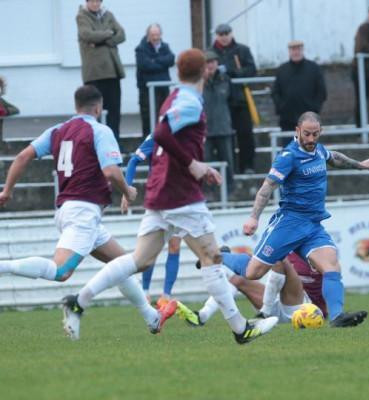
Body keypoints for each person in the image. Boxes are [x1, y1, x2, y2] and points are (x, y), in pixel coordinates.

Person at [61, 49, 278, 344]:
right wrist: (194, 165)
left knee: (139, 260)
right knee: (212, 257)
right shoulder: (189, 100)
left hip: (160, 190)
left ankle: (79, 301)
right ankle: (241, 329)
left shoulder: (173, 97)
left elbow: (162, 135)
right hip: (180, 193)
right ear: (205, 72)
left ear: (177, 72)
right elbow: (162, 133)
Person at [0, 85, 173, 339]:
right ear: (98, 108)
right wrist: (127, 191)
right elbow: (111, 172)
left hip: (70, 210)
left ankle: (151, 317)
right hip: (82, 211)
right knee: (60, 272)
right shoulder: (100, 131)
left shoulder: (58, 130)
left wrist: (7, 191)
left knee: (122, 264)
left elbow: (23, 156)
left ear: (76, 106)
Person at [240, 111, 369, 327]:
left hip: (312, 226)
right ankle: (223, 256)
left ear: (320, 132)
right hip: (289, 223)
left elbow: (336, 158)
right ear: (297, 131)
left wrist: (360, 164)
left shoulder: (319, 150)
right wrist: (253, 218)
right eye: (306, 134)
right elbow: (267, 188)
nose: (311, 139)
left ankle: (337, 316)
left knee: (331, 265)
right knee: (252, 273)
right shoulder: (288, 157)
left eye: (315, 134)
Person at [180, 251, 328, 326]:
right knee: (238, 280)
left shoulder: (316, 252)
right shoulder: (283, 242)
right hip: (274, 303)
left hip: (302, 308)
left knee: (279, 258)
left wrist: (330, 312)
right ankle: (202, 316)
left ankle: (264, 312)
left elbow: (331, 282)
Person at [122, 134, 183, 308]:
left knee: (174, 246)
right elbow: (134, 161)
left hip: (179, 200)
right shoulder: (156, 135)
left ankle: (166, 296)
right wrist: (127, 189)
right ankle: (145, 292)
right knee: (151, 249)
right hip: (159, 200)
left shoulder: (188, 135)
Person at [211, 24, 257, 174]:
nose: (224, 37)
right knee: (225, 138)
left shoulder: (242, 50)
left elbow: (251, 70)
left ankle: (247, 166)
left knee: (245, 135)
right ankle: (230, 169)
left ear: (231, 34)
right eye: (220, 34)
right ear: (216, 35)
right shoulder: (211, 53)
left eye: (226, 33)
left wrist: (233, 72)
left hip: (241, 100)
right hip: (220, 103)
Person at [76, 0, 126, 139]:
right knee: (93, 112)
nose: (95, 4)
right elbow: (88, 35)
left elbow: (121, 34)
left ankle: (115, 140)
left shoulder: (108, 15)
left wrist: (103, 40)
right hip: (94, 74)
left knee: (114, 110)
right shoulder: (82, 16)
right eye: (92, 1)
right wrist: (109, 33)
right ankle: (94, 142)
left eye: (98, 1)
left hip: (112, 72)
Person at [272, 41, 327, 144]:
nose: (296, 52)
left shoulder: (314, 68)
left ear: (302, 50)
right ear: (289, 51)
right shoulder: (282, 70)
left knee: (310, 150)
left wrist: (314, 109)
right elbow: (275, 92)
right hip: (287, 120)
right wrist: (281, 107)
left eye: (298, 49)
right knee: (289, 151)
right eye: (293, 49)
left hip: (310, 120)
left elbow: (321, 92)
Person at [202, 51, 236, 187]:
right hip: (204, 129)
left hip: (223, 127)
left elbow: (233, 101)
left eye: (213, 62)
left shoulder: (225, 80)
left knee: (227, 162)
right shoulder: (199, 82)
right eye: (207, 62)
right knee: (206, 162)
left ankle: (230, 190)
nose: (210, 65)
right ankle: (207, 191)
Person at [135, 23, 175, 137]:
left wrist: (154, 61)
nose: (155, 37)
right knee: (149, 119)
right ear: (148, 35)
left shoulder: (165, 46)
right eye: (153, 35)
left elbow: (171, 59)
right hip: (147, 91)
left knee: (164, 116)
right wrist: (162, 63)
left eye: (157, 34)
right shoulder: (141, 49)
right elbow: (145, 65)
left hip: (163, 88)